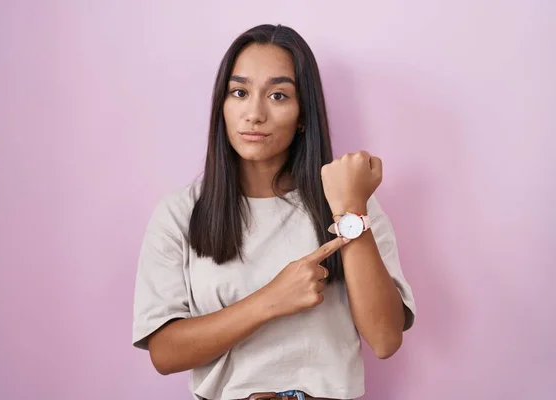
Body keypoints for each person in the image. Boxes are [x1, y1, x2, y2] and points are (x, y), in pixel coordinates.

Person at [132, 23, 416, 400]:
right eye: (239, 92)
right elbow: (164, 353)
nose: (254, 113)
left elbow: (384, 338)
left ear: (302, 115)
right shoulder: (180, 212)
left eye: (278, 95)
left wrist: (350, 210)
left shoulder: (351, 202)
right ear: (222, 105)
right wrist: (272, 299)